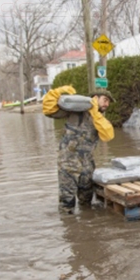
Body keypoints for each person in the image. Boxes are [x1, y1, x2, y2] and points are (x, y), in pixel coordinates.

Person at [42, 86, 115, 214]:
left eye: (108, 101)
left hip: (87, 164)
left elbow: (108, 135)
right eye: (105, 100)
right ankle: (69, 228)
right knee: (67, 202)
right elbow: (48, 110)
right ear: (95, 98)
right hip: (68, 162)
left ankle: (86, 227)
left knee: (87, 201)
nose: (107, 104)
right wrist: (58, 91)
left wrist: (95, 113)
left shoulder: (99, 118)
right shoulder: (74, 112)